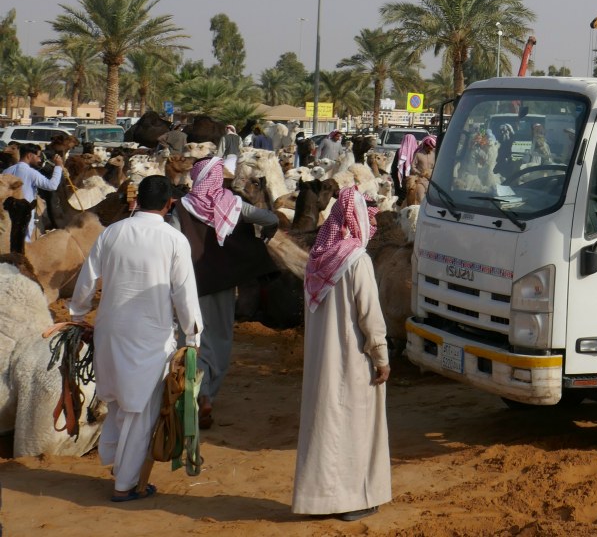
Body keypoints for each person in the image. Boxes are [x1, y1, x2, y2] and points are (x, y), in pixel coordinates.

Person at [67, 175, 203, 503]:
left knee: (117, 404)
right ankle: (124, 486)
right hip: (151, 337)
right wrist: (193, 335)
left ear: (136, 199)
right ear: (169, 203)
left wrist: (77, 314)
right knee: (141, 411)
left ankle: (117, 466)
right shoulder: (173, 240)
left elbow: (87, 279)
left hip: (111, 331)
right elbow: (185, 293)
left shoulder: (112, 233)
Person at [291, 186, 391, 521]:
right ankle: (353, 501)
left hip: (322, 362)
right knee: (354, 428)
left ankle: (320, 500)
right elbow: (371, 317)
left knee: (324, 427)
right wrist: (381, 357)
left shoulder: (317, 260)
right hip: (352, 360)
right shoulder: (357, 260)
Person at [173, 156, 281, 428]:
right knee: (219, 337)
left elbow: (172, 241)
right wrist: (267, 232)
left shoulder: (181, 208)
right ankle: (208, 393)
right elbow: (269, 217)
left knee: (192, 337)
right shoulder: (231, 204)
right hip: (223, 285)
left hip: (190, 284)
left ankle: (198, 392)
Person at [3, 143, 64, 251]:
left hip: (7, 211)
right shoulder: (31, 173)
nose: (39, 160)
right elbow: (52, 185)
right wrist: (58, 167)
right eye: (38, 156)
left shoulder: (6, 171)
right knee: (23, 241)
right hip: (24, 212)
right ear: (30, 156)